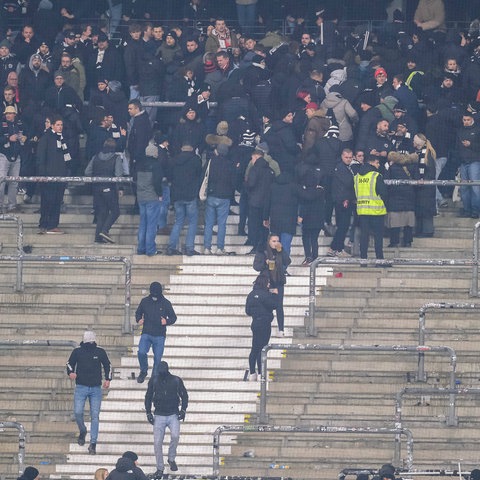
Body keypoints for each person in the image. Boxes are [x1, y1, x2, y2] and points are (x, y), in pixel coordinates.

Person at [66, 331, 112, 455]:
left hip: (96, 388)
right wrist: (70, 373)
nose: (91, 343)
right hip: (81, 386)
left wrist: (108, 379)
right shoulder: (77, 351)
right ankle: (83, 430)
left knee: (95, 416)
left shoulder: (100, 351)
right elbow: (69, 364)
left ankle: (93, 443)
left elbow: (108, 365)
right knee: (78, 412)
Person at [145, 361, 189, 477]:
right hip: (159, 414)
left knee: (175, 436)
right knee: (157, 443)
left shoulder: (176, 380)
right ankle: (160, 467)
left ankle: (171, 458)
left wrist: (183, 410)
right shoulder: (154, 380)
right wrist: (148, 412)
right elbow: (148, 396)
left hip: (173, 414)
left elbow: (184, 395)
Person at [135, 282, 177, 383]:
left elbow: (173, 317)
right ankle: (144, 371)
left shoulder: (166, 303)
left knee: (158, 358)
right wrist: (139, 319)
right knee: (141, 352)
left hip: (159, 335)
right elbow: (138, 312)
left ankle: (154, 377)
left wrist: (166, 321)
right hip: (147, 332)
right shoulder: (145, 301)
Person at [84, 138, 124, 244]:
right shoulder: (116, 158)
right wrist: (120, 188)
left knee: (102, 213)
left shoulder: (95, 157)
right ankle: (105, 231)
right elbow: (119, 175)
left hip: (97, 189)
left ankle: (98, 238)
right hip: (109, 188)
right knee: (115, 211)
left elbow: (87, 171)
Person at [37, 116, 71, 234]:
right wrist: (43, 175)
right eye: (57, 125)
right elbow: (41, 158)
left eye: (61, 125)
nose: (60, 127)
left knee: (57, 201)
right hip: (49, 176)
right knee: (47, 201)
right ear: (52, 125)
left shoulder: (62, 138)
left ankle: (53, 224)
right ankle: (44, 224)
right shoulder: (46, 138)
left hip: (60, 176)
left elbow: (66, 157)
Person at [253, 233, 290, 335]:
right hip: (266, 282)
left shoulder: (280, 251)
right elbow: (256, 266)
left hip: (278, 281)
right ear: (269, 242)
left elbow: (287, 261)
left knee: (279, 305)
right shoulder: (262, 251)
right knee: (265, 304)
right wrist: (265, 263)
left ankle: (281, 329)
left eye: (277, 241)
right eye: (274, 241)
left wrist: (282, 251)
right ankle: (264, 328)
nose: (276, 243)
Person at [203, 143, 236, 255]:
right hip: (224, 197)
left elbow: (205, 176)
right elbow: (233, 181)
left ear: (217, 151)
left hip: (212, 195)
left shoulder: (211, 162)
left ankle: (207, 248)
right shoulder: (230, 164)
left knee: (209, 223)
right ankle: (219, 248)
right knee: (222, 224)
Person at [354, 156, 388, 264]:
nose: (378, 165)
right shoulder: (376, 175)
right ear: (372, 163)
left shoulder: (357, 176)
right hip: (376, 211)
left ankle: (363, 260)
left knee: (364, 237)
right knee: (378, 237)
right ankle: (379, 260)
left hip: (362, 211)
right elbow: (384, 193)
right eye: (377, 163)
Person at [245, 274, 278, 381]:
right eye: (268, 282)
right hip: (264, 323)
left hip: (255, 323)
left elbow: (248, 311)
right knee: (262, 348)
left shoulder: (251, 294)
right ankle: (261, 374)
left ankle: (252, 373)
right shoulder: (265, 294)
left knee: (254, 348)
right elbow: (274, 305)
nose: (269, 284)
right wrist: (274, 294)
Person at [136, 141, 164, 256]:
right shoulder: (156, 165)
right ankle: (150, 249)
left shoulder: (139, 164)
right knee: (151, 224)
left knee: (143, 223)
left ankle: (141, 248)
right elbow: (157, 182)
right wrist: (160, 194)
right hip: (152, 197)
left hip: (141, 197)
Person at [327, 148, 355, 257]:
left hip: (344, 200)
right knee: (343, 225)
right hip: (343, 201)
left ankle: (338, 248)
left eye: (350, 157)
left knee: (343, 226)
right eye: (346, 157)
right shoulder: (341, 168)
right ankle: (334, 248)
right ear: (342, 156)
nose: (348, 159)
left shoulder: (345, 167)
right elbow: (348, 183)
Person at [0, 105, 26, 213]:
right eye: (6, 113)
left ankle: (12, 206)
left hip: (16, 156)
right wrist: (8, 138)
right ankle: (0, 206)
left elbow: (23, 136)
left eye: (10, 113)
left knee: (14, 182)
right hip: (4, 155)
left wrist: (24, 138)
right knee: (1, 181)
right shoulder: (1, 125)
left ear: (14, 114)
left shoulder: (19, 124)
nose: (8, 115)